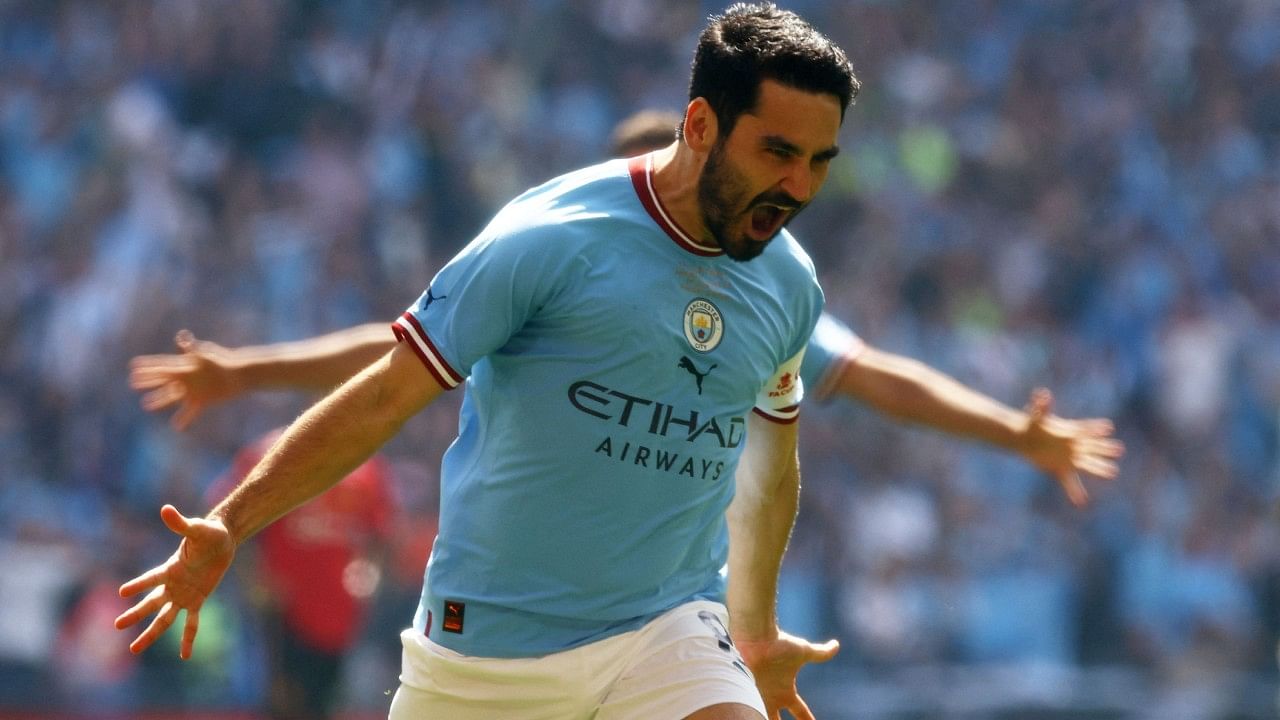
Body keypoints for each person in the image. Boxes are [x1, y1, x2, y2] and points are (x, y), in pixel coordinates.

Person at [116, 5, 859, 719]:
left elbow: (768, 464)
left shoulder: (789, 283)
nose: (799, 188)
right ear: (700, 125)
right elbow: (384, 396)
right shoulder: (549, 237)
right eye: (778, 153)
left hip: (669, 631)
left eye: (819, 162)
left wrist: (755, 630)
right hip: (488, 652)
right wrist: (232, 522)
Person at [131, 111, 1125, 508]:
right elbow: (399, 352)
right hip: (526, 572)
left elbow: (871, 378)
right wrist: (243, 373)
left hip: (654, 589)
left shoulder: (754, 284)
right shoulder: (565, 261)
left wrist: (1011, 434)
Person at [209, 429, 396, 720]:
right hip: (281, 612)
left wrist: (369, 574)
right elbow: (224, 518)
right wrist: (251, 577)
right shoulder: (271, 453)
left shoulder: (364, 464)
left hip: (339, 613)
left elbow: (381, 533)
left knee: (323, 702)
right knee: (280, 702)